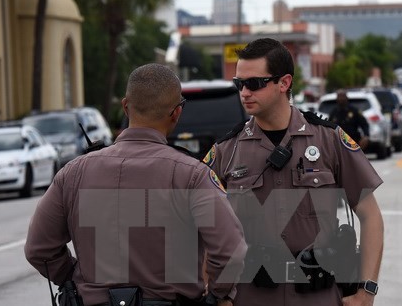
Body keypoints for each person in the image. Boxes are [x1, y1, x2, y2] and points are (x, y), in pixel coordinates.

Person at [25, 63, 247, 306]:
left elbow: (39, 248)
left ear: (125, 106)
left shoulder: (73, 173)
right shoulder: (191, 175)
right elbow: (230, 250)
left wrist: (76, 279)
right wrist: (218, 295)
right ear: (177, 113)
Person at [202, 38, 384, 306]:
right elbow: (203, 228)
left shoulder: (328, 140)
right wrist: (215, 294)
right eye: (239, 84)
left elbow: (371, 217)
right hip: (250, 296)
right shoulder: (226, 150)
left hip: (318, 294)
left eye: (254, 83)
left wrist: (366, 291)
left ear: (284, 83)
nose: (244, 92)